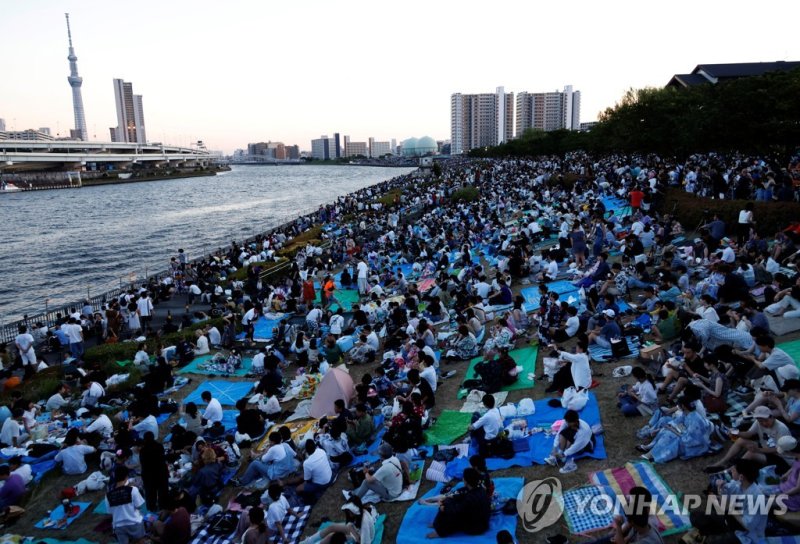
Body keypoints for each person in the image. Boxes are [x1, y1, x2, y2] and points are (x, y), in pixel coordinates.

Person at [691, 459, 766, 544]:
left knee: (710, 542)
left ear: (741, 477)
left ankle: (720, 536)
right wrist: (720, 489)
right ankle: (721, 534)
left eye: (733, 470)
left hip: (746, 534)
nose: (730, 471)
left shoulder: (756, 497)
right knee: (696, 516)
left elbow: (748, 526)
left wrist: (729, 507)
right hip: (731, 520)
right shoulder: (738, 483)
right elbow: (726, 488)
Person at [705, 405, 791, 474]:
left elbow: (778, 450)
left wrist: (758, 450)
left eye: (766, 420)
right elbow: (749, 434)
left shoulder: (781, 428)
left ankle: (730, 471)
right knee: (741, 440)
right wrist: (737, 432)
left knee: (751, 453)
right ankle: (722, 462)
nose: (764, 423)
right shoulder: (758, 422)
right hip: (765, 448)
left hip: (780, 458)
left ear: (771, 417)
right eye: (761, 421)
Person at [639, 396, 710, 464]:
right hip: (687, 433)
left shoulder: (695, 420)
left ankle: (653, 455)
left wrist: (673, 430)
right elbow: (676, 422)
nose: (678, 406)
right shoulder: (687, 414)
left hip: (695, 445)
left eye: (679, 405)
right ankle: (651, 447)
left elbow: (689, 439)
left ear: (683, 406)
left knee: (670, 435)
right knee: (666, 428)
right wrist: (662, 429)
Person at [427, 468, 491, 539]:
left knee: (446, 507)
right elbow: (463, 493)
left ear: (466, 481)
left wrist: (443, 506)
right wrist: (452, 497)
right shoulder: (480, 489)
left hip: (476, 527)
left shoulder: (470, 499)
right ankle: (437, 524)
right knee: (449, 501)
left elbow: (455, 511)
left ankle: (440, 530)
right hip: (483, 522)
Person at [301, 495, 378, 544]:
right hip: (355, 530)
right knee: (332, 527)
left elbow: (365, 541)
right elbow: (352, 525)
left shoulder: (364, 522)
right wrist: (351, 530)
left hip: (360, 538)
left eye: (350, 511)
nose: (349, 513)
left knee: (332, 536)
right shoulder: (359, 514)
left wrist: (353, 537)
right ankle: (308, 541)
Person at [233, 431, 298, 487]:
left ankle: (242, 482)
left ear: (272, 442)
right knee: (262, 461)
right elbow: (294, 454)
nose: (269, 442)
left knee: (255, 463)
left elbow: (263, 459)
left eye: (269, 441)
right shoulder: (285, 444)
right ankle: (254, 470)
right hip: (289, 469)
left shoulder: (273, 449)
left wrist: (266, 451)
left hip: (279, 474)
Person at [545, 409, 595, 474]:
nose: (566, 423)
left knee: (570, 442)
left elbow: (576, 446)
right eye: (566, 421)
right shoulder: (568, 422)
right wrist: (554, 447)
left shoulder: (583, 432)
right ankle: (557, 456)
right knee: (562, 434)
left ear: (575, 422)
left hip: (586, 443)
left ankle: (565, 458)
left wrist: (564, 454)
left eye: (568, 422)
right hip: (576, 434)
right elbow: (559, 432)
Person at [106, 466, 146, 544]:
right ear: (126, 477)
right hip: (134, 522)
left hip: (118, 526)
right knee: (140, 541)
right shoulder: (133, 490)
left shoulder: (108, 495)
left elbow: (110, 512)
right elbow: (139, 506)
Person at [139, 431, 169, 512]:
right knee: (163, 492)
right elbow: (162, 459)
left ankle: (152, 508)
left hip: (149, 475)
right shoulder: (159, 446)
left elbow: (143, 463)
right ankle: (163, 507)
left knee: (150, 493)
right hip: (161, 472)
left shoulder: (143, 450)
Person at [297, 439, 333, 505]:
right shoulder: (321, 451)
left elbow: (308, 481)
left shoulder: (307, 463)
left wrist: (305, 483)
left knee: (298, 489)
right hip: (330, 477)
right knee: (303, 476)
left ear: (306, 450)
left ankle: (309, 499)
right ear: (315, 446)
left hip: (322, 484)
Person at [469, 394, 504, 458]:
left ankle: (473, 440)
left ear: (485, 405)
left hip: (488, 438)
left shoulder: (486, 416)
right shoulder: (496, 410)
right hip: (496, 433)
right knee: (476, 414)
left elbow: (472, 427)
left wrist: (469, 427)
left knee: (474, 418)